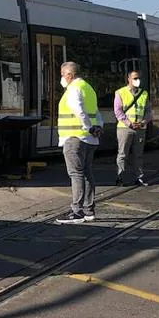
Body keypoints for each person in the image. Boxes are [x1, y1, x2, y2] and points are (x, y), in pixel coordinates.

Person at [55, 61, 103, 223]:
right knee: (87, 173)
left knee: (76, 174)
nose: (61, 78)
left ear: (70, 75)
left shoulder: (73, 89)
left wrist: (88, 127)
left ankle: (77, 212)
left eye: (62, 75)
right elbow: (96, 112)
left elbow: (78, 109)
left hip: (74, 138)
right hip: (89, 139)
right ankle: (89, 211)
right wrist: (97, 128)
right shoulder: (88, 88)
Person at [113, 70, 150, 186]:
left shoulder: (144, 93)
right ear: (128, 79)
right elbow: (118, 111)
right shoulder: (120, 92)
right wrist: (129, 123)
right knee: (122, 154)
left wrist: (143, 122)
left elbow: (148, 111)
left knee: (138, 154)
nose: (137, 80)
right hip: (125, 128)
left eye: (138, 78)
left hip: (140, 128)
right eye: (134, 78)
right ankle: (120, 177)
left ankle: (139, 177)